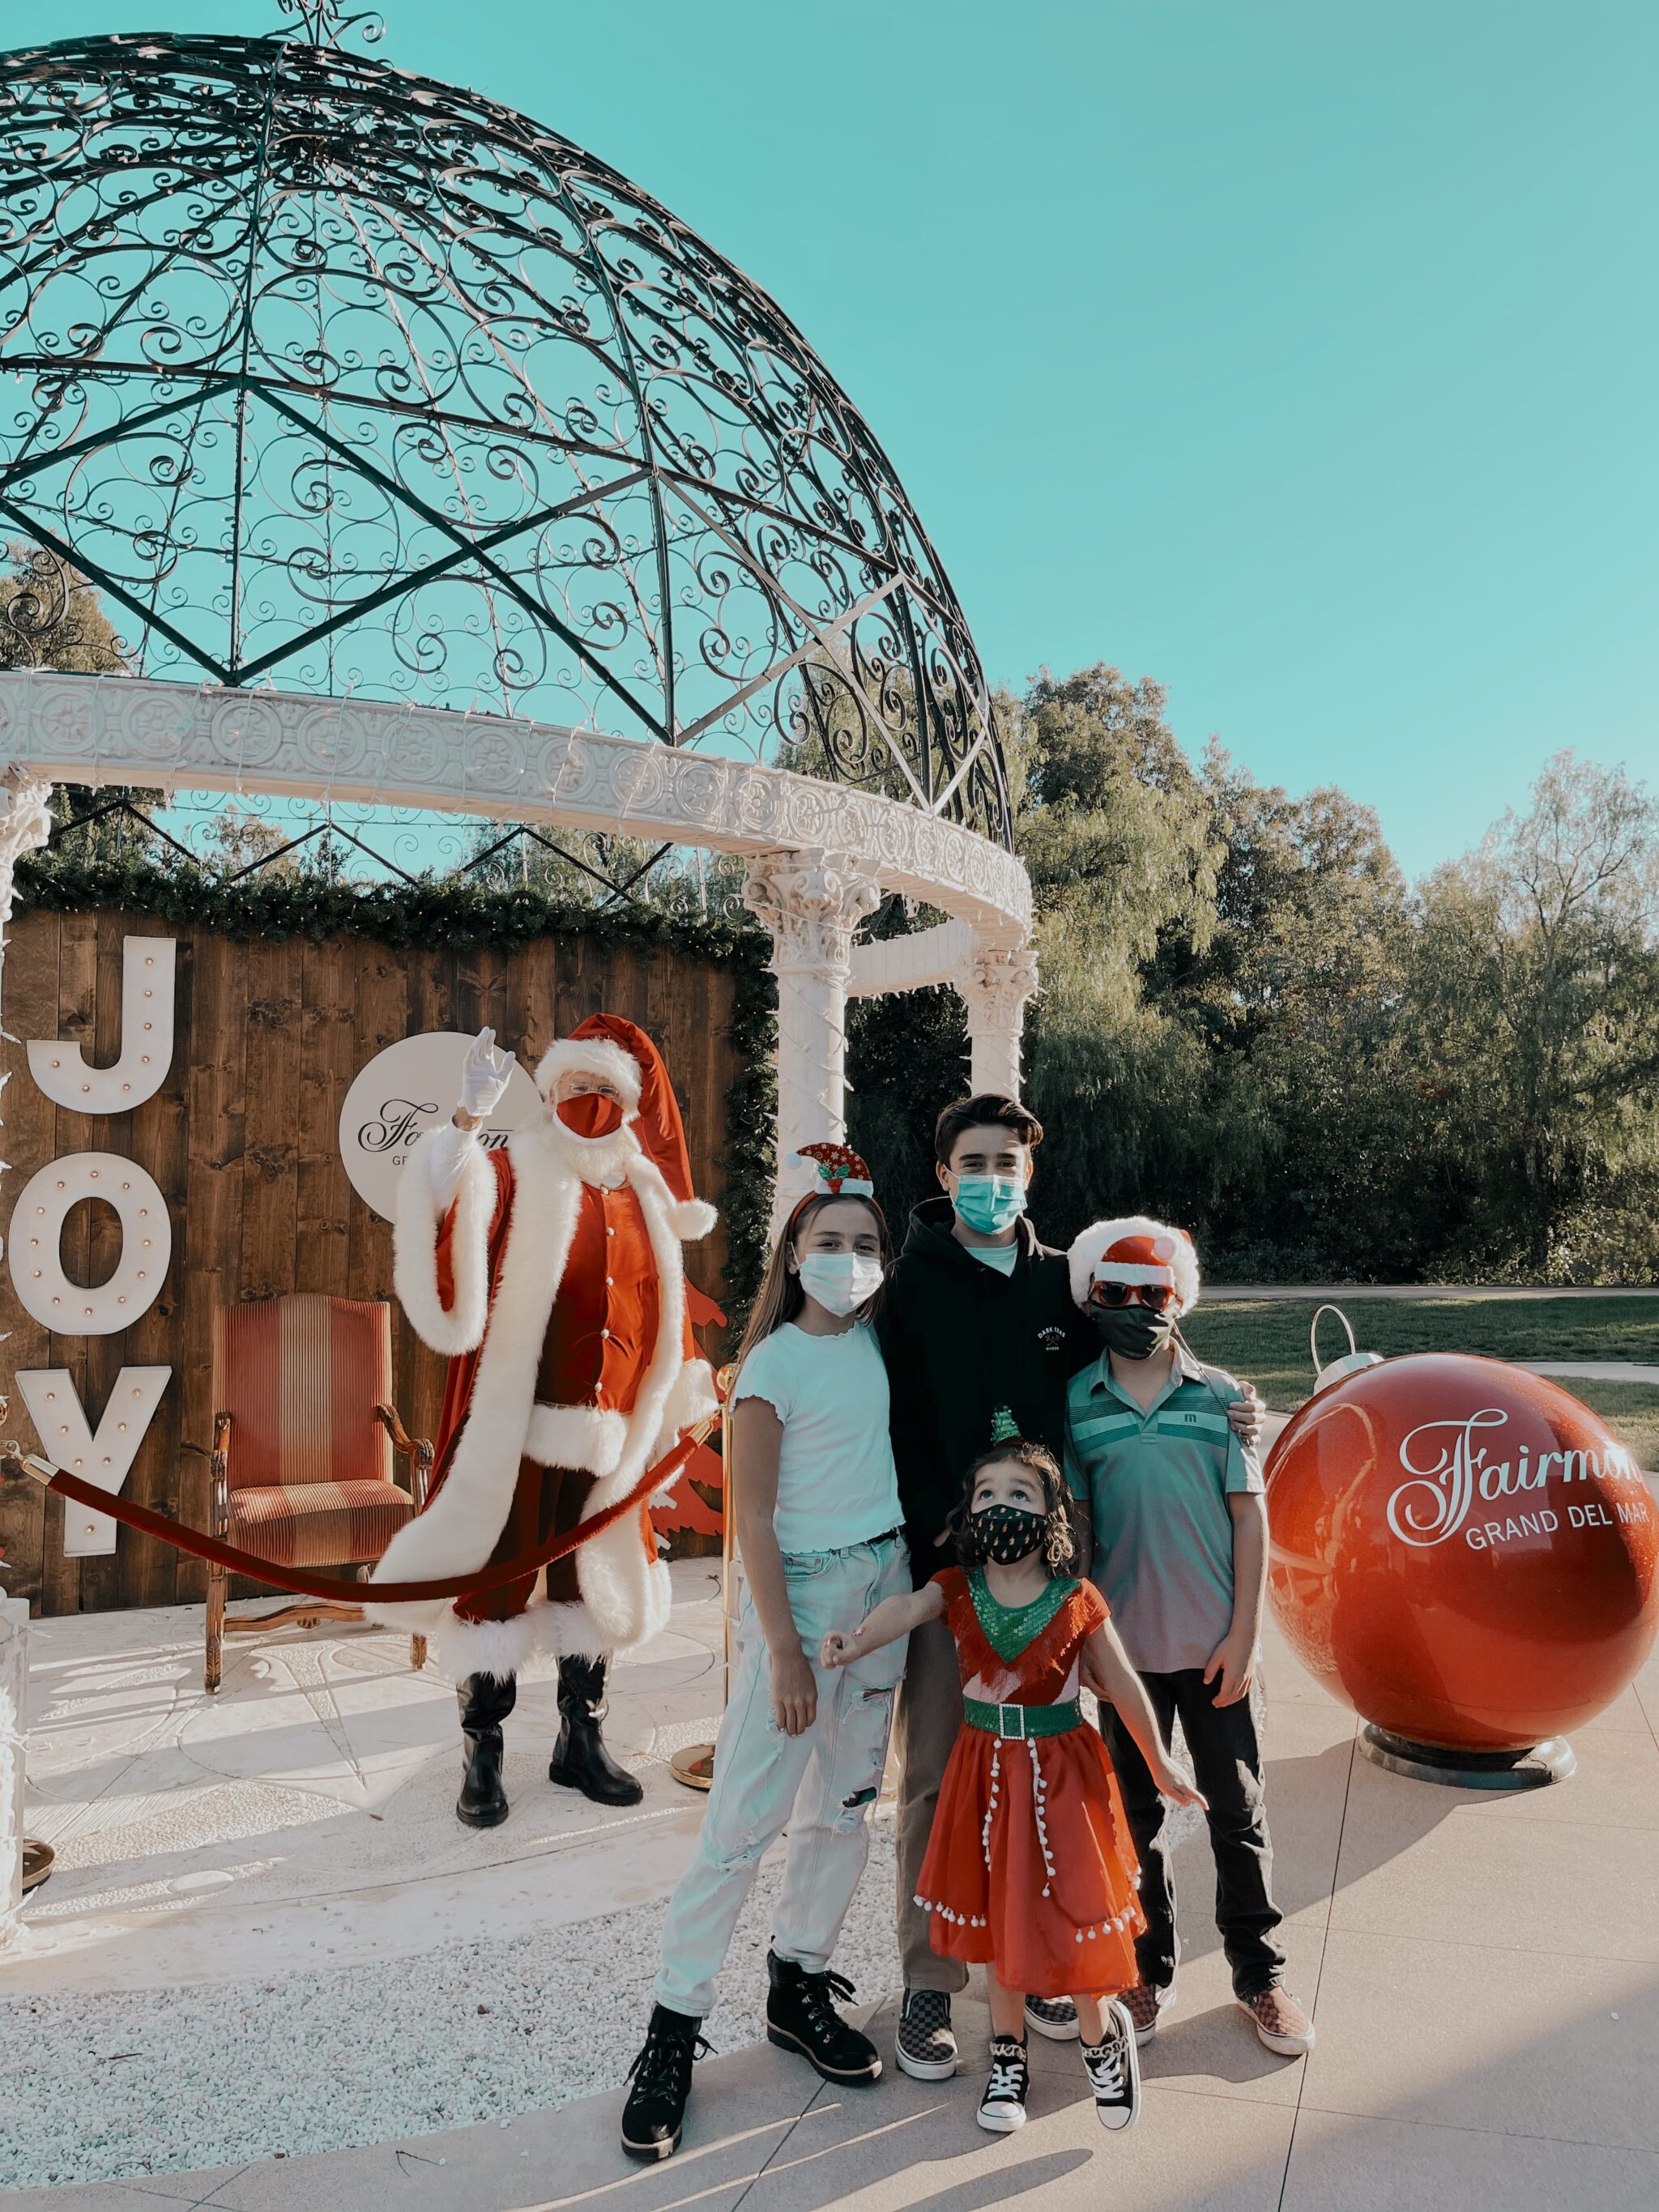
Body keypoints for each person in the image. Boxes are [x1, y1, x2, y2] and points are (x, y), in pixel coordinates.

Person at [879, 1093, 1265, 2075]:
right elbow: (901, 1424)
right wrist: (943, 1539)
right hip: (953, 1576)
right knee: (935, 1778)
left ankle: (1041, 1958)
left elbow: (1146, 1356)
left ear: (1029, 1174)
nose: (991, 1178)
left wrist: (1235, 1402)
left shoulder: (1061, 1285)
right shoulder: (906, 1288)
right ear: (940, 1172)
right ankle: (931, 1980)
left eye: (1008, 1162)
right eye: (974, 1161)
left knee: (1051, 1782)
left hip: (1052, 1583)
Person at [620, 1144, 911, 2164]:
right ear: (791, 1252)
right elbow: (747, 1517)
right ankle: (672, 2027)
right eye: (827, 1242)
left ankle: (798, 1981)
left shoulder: (880, 1344)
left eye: (864, 1244)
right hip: (803, 1596)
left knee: (843, 1805)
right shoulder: (773, 1365)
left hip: (882, 1586)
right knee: (741, 1821)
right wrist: (782, 1652)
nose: (846, 1258)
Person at [365, 1016, 719, 1823]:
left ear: (625, 1103)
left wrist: (678, 1400)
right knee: (492, 1595)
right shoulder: (512, 1167)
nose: (588, 1102)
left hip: (609, 1438)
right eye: (576, 1087)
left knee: (589, 1589)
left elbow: (665, 1309)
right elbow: (450, 1203)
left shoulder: (644, 1193)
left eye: (604, 1090)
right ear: (549, 1091)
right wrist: (464, 1118)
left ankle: (578, 1741)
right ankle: (481, 1752)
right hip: (518, 1431)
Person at [822, 1431, 1204, 2136]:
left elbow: (1120, 1686)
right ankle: (1007, 2056)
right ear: (969, 1512)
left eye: (1020, 1493)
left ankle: (1101, 2038)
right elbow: (903, 1611)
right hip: (985, 1775)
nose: (1002, 1505)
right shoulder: (955, 1589)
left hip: (1064, 1778)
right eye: (987, 1494)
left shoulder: (1076, 1599)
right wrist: (855, 1641)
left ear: (1051, 1513)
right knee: (1000, 1924)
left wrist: (1160, 1761)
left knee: (1075, 1911)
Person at [1063, 1216, 1316, 2057]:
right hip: (1126, 1660)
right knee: (1132, 1823)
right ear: (1091, 1296)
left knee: (1236, 1815)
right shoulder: (1076, 1404)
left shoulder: (1223, 1401)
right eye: (1115, 1293)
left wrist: (1242, 1635)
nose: (1134, 1306)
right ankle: (1144, 1970)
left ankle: (1260, 1973)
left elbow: (1250, 1521)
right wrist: (1087, 1651)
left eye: (1152, 1293)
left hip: (1213, 1650)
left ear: (1178, 1297)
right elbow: (1081, 1534)